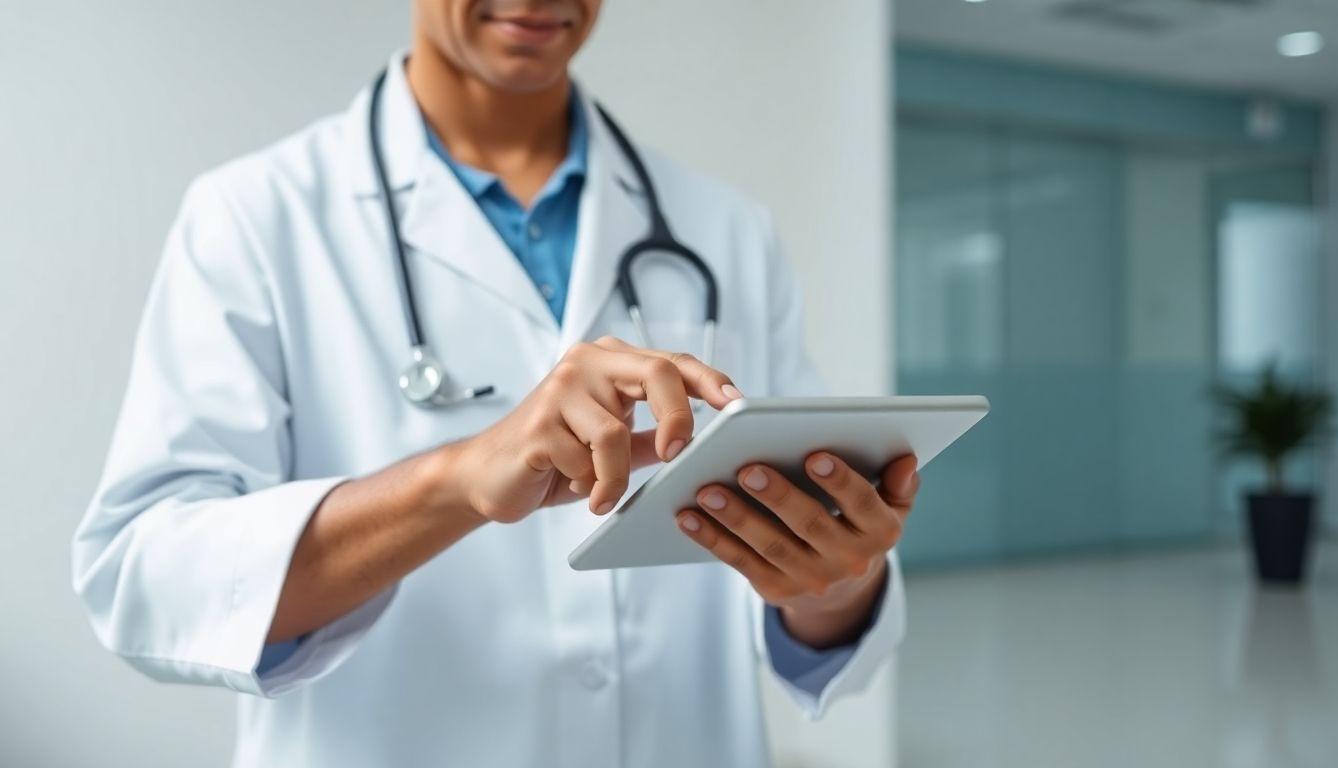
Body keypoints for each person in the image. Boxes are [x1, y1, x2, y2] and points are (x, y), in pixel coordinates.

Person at [72, 2, 918, 766]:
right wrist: (456, 480)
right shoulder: (256, 216)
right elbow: (145, 576)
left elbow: (806, 595)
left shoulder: (724, 229)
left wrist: (836, 582)